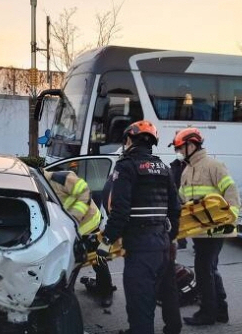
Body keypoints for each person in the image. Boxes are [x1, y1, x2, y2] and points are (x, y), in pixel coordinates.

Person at [96, 120, 181, 334]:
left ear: (130, 139)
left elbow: (120, 211)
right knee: (165, 294)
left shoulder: (126, 166)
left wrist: (106, 242)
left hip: (140, 249)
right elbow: (175, 209)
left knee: (140, 305)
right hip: (162, 246)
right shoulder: (163, 167)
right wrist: (169, 237)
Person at [171, 127, 240, 326]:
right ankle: (220, 311)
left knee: (203, 269)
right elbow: (183, 201)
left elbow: (231, 192)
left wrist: (230, 219)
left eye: (181, 148)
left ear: (191, 145)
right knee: (210, 269)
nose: (179, 152)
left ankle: (207, 313)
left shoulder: (214, 166)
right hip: (199, 231)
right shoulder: (187, 170)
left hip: (216, 229)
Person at [43, 170, 116, 307]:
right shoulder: (37, 188)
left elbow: (85, 193)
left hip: (88, 225)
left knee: (98, 259)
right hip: (69, 230)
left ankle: (106, 291)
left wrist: (74, 218)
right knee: (68, 263)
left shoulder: (60, 178)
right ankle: (65, 294)